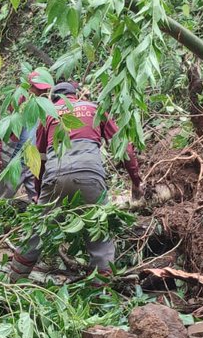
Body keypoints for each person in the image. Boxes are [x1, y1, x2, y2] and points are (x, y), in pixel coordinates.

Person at [8, 81, 142, 283]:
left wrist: (38, 195)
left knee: (35, 233)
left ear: (53, 99)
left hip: (54, 177)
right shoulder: (95, 108)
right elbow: (124, 148)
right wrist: (136, 182)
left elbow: (39, 160)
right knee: (99, 236)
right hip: (90, 176)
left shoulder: (49, 116)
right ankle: (100, 295)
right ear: (77, 95)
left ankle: (13, 283)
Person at [0, 69, 48, 201]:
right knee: (0, 201)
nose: (42, 92)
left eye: (44, 89)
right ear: (29, 87)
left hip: (34, 163)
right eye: (38, 89)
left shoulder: (47, 106)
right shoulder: (16, 103)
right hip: (13, 161)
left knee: (39, 201)